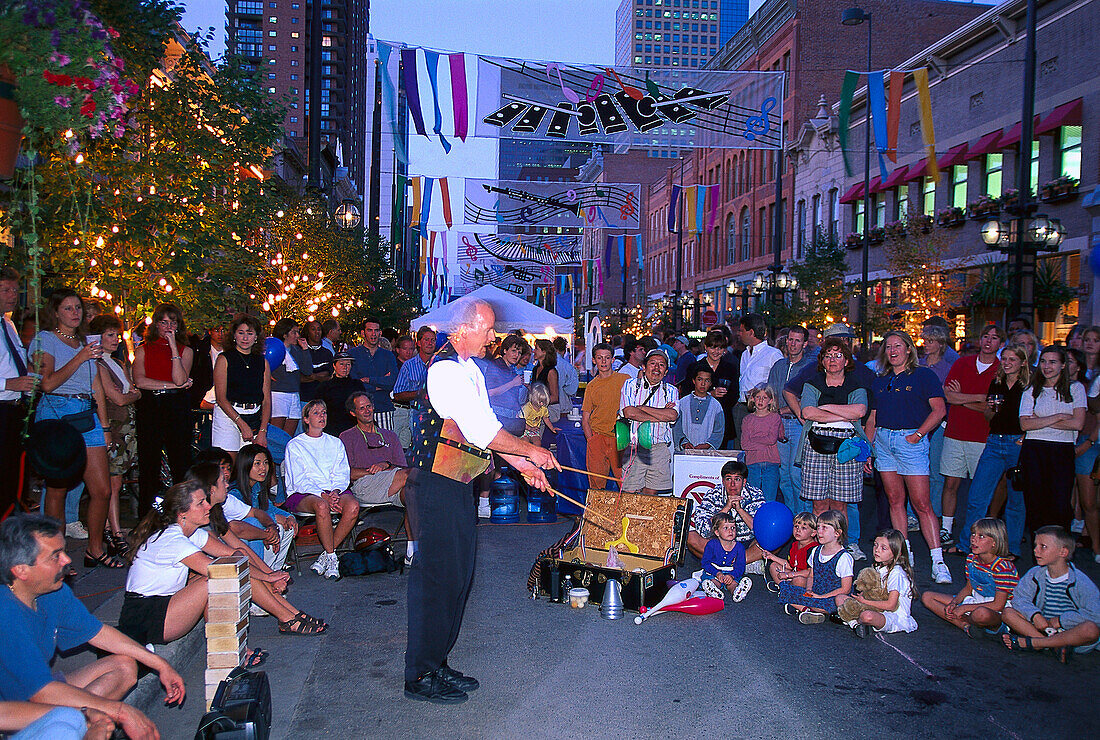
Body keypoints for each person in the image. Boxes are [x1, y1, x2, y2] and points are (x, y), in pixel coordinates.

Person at [403, 298, 556, 704]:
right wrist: (530, 451)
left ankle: (437, 662)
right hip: (435, 484)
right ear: (463, 330)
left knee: (459, 577)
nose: (493, 337)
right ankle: (419, 674)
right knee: (437, 580)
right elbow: (483, 431)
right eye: (487, 330)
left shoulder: (469, 369)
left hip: (459, 481)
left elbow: (483, 430)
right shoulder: (445, 369)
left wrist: (524, 466)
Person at [0, 514, 182, 740]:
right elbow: (41, 693)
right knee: (75, 721)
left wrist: (160, 663)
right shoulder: (5, 614)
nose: (67, 560)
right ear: (20, 570)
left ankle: (81, 724)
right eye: (55, 556)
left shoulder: (51, 592)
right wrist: (118, 711)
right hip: (11, 712)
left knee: (124, 665)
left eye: (64, 551)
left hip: (34, 691)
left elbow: (98, 633)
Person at [122, 480, 323, 643]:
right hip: (147, 618)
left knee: (231, 570)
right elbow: (222, 569)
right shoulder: (173, 540)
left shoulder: (190, 533)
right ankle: (284, 619)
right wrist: (268, 576)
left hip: (166, 605)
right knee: (219, 577)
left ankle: (288, 616)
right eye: (201, 503)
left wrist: (269, 576)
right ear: (182, 514)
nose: (209, 506)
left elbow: (233, 553)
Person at [29, 289, 117, 568]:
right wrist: (80, 357)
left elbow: (95, 386)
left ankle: (94, 549)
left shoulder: (85, 341)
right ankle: (54, 555)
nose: (75, 313)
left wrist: (104, 426)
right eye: (68, 308)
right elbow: (47, 384)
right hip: (57, 412)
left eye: (77, 307)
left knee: (102, 489)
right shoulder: (45, 340)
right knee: (58, 488)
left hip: (86, 413)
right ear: (55, 312)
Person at [866, 330, 951, 584]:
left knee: (922, 503)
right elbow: (872, 418)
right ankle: (905, 557)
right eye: (888, 346)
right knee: (894, 500)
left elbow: (939, 410)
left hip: (910, 442)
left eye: (898, 346)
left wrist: (919, 435)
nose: (893, 351)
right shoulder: (880, 381)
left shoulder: (924, 375)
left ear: (908, 349)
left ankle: (938, 562)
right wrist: (868, 448)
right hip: (883, 442)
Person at [959, 346, 1030, 559]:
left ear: (1023, 362)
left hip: (1016, 443)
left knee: (1016, 499)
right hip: (994, 441)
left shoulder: (1028, 386)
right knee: (977, 496)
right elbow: (990, 417)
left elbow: (1031, 415)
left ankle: (1012, 549)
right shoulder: (996, 382)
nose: (1007, 363)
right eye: (1004, 359)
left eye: (1012, 359)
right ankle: (967, 545)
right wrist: (990, 409)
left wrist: (1024, 438)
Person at [937, 324, 1002, 549]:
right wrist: (978, 398)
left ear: (1000, 344)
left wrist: (961, 397)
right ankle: (946, 528)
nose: (988, 341)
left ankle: (981, 532)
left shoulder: (1000, 369)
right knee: (951, 482)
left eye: (994, 338)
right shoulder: (962, 363)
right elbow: (948, 395)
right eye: (985, 336)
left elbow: (993, 405)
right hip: (955, 432)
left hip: (983, 437)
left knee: (981, 488)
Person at [281, 399, 358, 580]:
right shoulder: (295, 445)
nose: (322, 416)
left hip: (333, 491)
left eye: (324, 412)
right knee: (322, 506)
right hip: (304, 493)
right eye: (316, 413)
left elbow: (341, 472)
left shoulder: (335, 442)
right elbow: (299, 479)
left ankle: (326, 554)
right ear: (306, 419)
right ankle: (332, 557)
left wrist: (336, 492)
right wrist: (323, 495)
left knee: (353, 506)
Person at [131, 303, 194, 518]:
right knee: (149, 463)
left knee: (181, 462)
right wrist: (172, 386)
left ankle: (182, 514)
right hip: (151, 407)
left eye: (172, 322)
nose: (168, 327)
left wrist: (173, 347)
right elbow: (140, 381)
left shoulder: (186, 350)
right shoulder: (142, 350)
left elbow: (180, 377)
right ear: (156, 324)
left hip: (177, 407)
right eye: (163, 322)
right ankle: (145, 518)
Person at [794, 338, 869, 519]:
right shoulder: (812, 383)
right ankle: (819, 544)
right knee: (818, 504)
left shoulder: (856, 384)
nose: (833, 360)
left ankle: (839, 545)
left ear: (847, 360)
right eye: (828, 356)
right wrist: (846, 415)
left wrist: (825, 406)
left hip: (848, 446)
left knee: (839, 505)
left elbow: (859, 410)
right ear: (822, 361)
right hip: (816, 444)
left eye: (838, 355)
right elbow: (808, 412)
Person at [1001, 526, 1100, 662]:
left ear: (1063, 552)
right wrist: (1035, 615)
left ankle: (1036, 643)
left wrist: (1061, 620)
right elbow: (1019, 598)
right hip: (1043, 627)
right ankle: (1052, 646)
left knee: (1091, 630)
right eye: (1036, 545)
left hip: (1071, 634)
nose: (1036, 550)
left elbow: (1096, 614)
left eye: (1043, 546)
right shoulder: (1035, 573)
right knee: (1008, 612)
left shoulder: (1080, 581)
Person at [1019, 347, 1086, 533]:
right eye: (1043, 361)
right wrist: (1058, 417)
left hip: (1062, 450)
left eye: (1053, 362)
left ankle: (1060, 557)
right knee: (1035, 504)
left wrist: (1039, 421)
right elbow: (1025, 425)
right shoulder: (1031, 390)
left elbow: (1078, 423)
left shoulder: (1075, 388)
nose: (1047, 366)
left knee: (1060, 504)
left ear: (1063, 365)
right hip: (1034, 449)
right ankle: (1039, 555)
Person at [89, 315, 140, 557]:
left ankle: (112, 528)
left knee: (117, 481)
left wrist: (131, 394)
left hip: (127, 427)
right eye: (110, 335)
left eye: (116, 335)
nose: (115, 339)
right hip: (113, 426)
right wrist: (132, 395)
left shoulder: (119, 363)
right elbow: (119, 397)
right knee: (111, 482)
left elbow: (131, 390)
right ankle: (115, 531)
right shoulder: (97, 365)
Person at [922, 518, 1018, 639]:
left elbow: (998, 604)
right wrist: (954, 603)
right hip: (976, 599)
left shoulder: (1003, 567)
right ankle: (966, 626)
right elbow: (969, 588)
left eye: (981, 536)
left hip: (997, 609)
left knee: (980, 614)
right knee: (927, 597)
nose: (974, 539)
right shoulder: (972, 559)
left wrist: (964, 608)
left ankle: (991, 627)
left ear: (994, 542)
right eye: (973, 534)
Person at [340, 393, 410, 549]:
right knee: (416, 476)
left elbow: (402, 467)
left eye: (369, 406)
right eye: (361, 408)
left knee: (414, 494)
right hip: (365, 486)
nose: (367, 411)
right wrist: (373, 471)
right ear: (353, 413)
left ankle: (413, 550)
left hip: (393, 483)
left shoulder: (390, 436)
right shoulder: (347, 437)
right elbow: (347, 473)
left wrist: (385, 464)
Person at [688, 460, 766, 575]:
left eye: (737, 479)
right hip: (719, 544)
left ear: (744, 482)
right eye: (728, 479)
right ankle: (742, 565)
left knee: (773, 539)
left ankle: (727, 564)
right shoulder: (713, 494)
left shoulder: (755, 494)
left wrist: (740, 510)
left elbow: (762, 531)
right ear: (723, 481)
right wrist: (726, 508)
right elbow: (704, 530)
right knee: (691, 537)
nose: (732, 484)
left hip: (747, 543)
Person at [0, 268, 35, 524]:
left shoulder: (9, 324)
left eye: (15, 290)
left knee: (13, 472)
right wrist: (9, 383)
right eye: (6, 290)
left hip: (16, 408)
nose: (13, 295)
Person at [619, 349, 678, 495]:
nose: (656, 368)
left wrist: (643, 408)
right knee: (630, 492)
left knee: (651, 495)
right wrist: (661, 414)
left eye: (661, 365)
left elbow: (672, 416)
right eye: (652, 363)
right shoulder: (631, 385)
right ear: (644, 367)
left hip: (659, 448)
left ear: (666, 372)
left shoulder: (671, 390)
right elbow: (629, 412)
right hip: (634, 447)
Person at [228, 445, 297, 571]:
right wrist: (274, 520)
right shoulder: (235, 493)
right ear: (245, 465)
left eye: (265, 463)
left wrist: (289, 517)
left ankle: (276, 569)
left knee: (288, 526)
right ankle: (266, 571)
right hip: (240, 537)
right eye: (257, 463)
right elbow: (245, 520)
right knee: (270, 527)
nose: (263, 468)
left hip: (258, 527)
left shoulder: (257, 486)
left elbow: (269, 508)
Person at [778, 510, 853, 625]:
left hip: (831, 595)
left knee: (828, 603)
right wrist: (809, 590)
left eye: (824, 528)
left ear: (837, 533)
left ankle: (807, 609)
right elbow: (811, 575)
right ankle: (807, 610)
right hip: (816, 591)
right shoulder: (816, 551)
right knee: (785, 590)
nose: (819, 531)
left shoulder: (844, 558)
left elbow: (845, 589)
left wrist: (822, 596)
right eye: (818, 527)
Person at [212, 314, 270, 461]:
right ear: (234, 335)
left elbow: (267, 400)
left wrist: (263, 430)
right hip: (229, 414)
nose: (245, 338)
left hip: (254, 415)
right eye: (241, 333)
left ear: (256, 337)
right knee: (228, 464)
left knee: (252, 465)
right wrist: (241, 423)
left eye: (249, 334)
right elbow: (220, 398)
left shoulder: (263, 362)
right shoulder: (224, 359)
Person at [768, 326, 813, 511]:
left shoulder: (810, 368)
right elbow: (770, 394)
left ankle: (805, 517)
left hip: (798, 424)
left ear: (805, 344)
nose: (793, 344)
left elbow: (808, 401)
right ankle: (793, 516)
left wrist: (784, 410)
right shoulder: (779, 365)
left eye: (797, 340)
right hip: (778, 422)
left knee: (797, 474)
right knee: (784, 475)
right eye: (790, 340)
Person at [848, 529, 918, 638]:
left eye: (883, 548)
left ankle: (854, 622)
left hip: (894, 617)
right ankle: (857, 624)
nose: (877, 550)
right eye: (875, 545)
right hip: (877, 607)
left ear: (897, 553)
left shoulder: (896, 573)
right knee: (840, 599)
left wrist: (865, 601)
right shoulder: (879, 566)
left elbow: (891, 605)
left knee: (867, 616)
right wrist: (864, 596)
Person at [582, 343, 629, 488]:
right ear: (594, 360)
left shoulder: (625, 380)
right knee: (596, 483)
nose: (603, 361)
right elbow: (585, 417)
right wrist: (591, 440)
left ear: (613, 360)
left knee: (626, 482)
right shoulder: (591, 386)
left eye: (607, 358)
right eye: (600, 358)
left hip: (619, 437)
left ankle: (625, 510)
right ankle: (596, 510)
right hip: (598, 437)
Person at [687, 329, 739, 448]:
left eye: (720, 348)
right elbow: (687, 393)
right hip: (698, 420)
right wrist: (710, 394)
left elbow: (734, 395)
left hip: (723, 419)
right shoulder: (695, 367)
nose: (716, 351)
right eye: (713, 347)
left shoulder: (730, 368)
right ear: (706, 347)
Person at [735, 314, 782, 441]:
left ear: (751, 332)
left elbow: (779, 383)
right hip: (742, 406)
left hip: (761, 411)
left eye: (741, 330)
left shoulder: (773, 354)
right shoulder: (745, 354)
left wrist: (759, 391)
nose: (739, 333)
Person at [349, 318, 399, 430]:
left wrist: (368, 380)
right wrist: (380, 384)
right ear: (363, 333)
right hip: (359, 411)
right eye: (370, 330)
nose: (373, 334)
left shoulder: (388, 355)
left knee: (385, 444)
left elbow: (392, 382)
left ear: (380, 333)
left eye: (376, 330)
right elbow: (355, 385)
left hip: (383, 408)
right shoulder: (352, 355)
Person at [393, 327, 437, 448]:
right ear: (418, 343)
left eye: (433, 340)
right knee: (420, 449)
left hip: (438, 415)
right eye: (427, 340)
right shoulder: (409, 365)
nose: (430, 343)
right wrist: (420, 393)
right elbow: (398, 394)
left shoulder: (441, 363)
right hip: (418, 414)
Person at [741, 385, 784, 503]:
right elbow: (745, 444)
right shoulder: (747, 420)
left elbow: (771, 440)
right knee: (752, 499)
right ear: (753, 399)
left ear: (770, 401)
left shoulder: (775, 417)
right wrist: (764, 442)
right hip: (752, 463)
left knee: (769, 499)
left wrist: (754, 438)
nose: (760, 401)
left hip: (771, 463)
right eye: (758, 397)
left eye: (764, 398)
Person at [699, 511, 752, 602]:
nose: (730, 531)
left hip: (731, 572)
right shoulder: (711, 544)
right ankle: (713, 590)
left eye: (733, 528)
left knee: (733, 583)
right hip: (714, 572)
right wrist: (717, 573)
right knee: (714, 581)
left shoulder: (739, 547)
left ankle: (737, 591)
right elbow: (705, 563)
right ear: (717, 532)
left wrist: (732, 575)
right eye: (726, 528)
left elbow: (740, 566)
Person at [762, 511, 817, 592]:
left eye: (803, 528)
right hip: (795, 573)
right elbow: (790, 565)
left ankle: (787, 591)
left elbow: (810, 572)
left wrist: (788, 575)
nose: (798, 530)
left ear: (813, 533)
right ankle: (784, 588)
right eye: (796, 526)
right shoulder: (794, 544)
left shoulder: (814, 548)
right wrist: (772, 557)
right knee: (773, 565)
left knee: (799, 580)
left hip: (809, 579)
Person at [672, 365, 724, 452]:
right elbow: (676, 427)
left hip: (707, 453)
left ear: (711, 383)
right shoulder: (682, 403)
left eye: (707, 380)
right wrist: (684, 443)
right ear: (694, 381)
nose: (703, 384)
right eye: (700, 379)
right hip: (684, 452)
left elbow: (718, 431)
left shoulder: (716, 406)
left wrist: (707, 445)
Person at [315, 350, 365, 437]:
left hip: (354, 429)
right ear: (334, 365)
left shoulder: (357, 385)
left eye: (348, 364)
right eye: (341, 364)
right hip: (332, 429)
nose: (345, 367)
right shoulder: (325, 387)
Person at [300, 320, 333, 403]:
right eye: (313, 329)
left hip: (323, 399)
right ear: (307, 332)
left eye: (319, 329)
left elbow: (328, 376)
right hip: (304, 398)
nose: (317, 332)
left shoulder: (327, 353)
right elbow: (299, 377)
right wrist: (319, 376)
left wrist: (311, 376)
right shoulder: (301, 352)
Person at [531, 338, 562, 424]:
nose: (534, 351)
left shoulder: (551, 372)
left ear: (544, 352)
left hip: (549, 410)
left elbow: (555, 397)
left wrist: (536, 403)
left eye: (536, 348)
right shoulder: (535, 369)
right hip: (538, 409)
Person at [553, 336, 579, 403]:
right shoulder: (568, 367)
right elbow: (572, 390)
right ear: (564, 351)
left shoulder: (543, 363)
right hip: (563, 403)